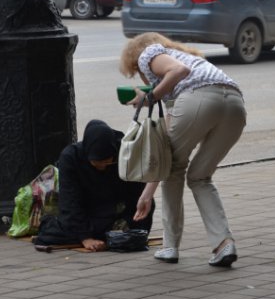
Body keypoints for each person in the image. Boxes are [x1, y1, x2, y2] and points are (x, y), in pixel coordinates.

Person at [120, 33, 246, 267]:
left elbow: (178, 72)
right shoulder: (187, 59)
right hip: (235, 105)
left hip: (199, 100)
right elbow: (164, 153)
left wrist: (149, 98)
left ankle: (170, 247)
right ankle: (223, 244)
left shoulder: (149, 53)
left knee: (175, 172)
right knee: (200, 176)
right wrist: (146, 195)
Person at [35, 120, 154, 251]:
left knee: (143, 207)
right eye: (96, 163)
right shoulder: (70, 158)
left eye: (107, 162)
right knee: (53, 234)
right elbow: (70, 201)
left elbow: (137, 193)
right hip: (87, 211)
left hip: (113, 209)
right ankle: (102, 233)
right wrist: (85, 238)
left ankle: (113, 232)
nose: (102, 167)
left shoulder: (123, 153)